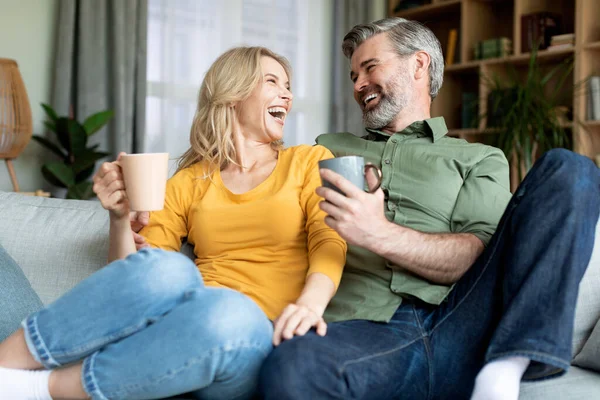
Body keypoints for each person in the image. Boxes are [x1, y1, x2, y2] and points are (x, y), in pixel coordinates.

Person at [257, 17, 600, 400]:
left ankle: (510, 363)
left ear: (419, 65)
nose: (357, 85)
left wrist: (378, 232)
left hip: (463, 324)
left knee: (572, 169)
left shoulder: (478, 157)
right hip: (362, 332)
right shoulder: (327, 148)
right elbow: (247, 176)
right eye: (354, 75)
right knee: (291, 367)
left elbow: (478, 255)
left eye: (370, 68)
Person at [0, 46, 347, 400]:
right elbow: (134, 279)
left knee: (230, 312)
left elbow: (329, 241)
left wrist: (309, 305)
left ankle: (40, 388)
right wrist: (119, 219)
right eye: (272, 81)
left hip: (250, 338)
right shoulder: (188, 182)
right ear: (232, 93)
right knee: (166, 268)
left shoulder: (309, 161)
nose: (287, 94)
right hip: (180, 330)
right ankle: (5, 365)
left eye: (288, 85)